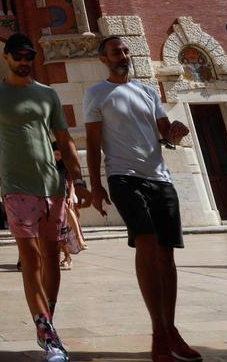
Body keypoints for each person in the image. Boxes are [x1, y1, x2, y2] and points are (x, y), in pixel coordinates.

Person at [84, 35, 201, 362]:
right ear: (103, 60)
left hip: (159, 177)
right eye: (115, 52)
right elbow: (93, 145)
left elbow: (164, 131)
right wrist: (95, 186)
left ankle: (172, 328)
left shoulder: (148, 92)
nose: (123, 55)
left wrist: (174, 130)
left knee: (167, 254)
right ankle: (158, 334)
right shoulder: (96, 94)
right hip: (122, 177)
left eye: (124, 51)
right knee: (147, 241)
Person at [0, 33, 89, 362]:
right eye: (19, 56)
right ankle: (46, 330)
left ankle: (47, 322)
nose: (24, 62)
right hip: (15, 187)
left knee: (52, 256)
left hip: (52, 186)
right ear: (6, 57)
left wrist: (78, 178)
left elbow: (65, 140)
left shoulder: (48, 95)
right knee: (30, 257)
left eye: (29, 57)